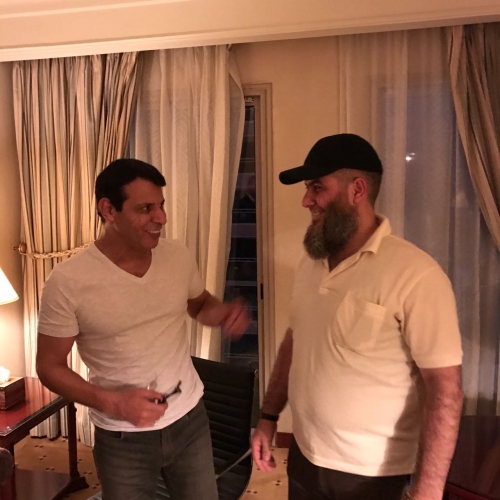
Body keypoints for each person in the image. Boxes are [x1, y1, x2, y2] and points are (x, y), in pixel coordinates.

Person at [251, 134, 464, 500]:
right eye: (307, 189)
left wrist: (428, 490)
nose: (306, 200)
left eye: (317, 187)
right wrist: (269, 417)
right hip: (304, 457)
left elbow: (445, 391)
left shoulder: (417, 275)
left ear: (357, 190)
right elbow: (294, 342)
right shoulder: (311, 264)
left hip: (372, 476)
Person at [36, 158, 250, 500]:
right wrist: (114, 402)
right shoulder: (67, 282)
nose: (161, 217)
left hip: (189, 420)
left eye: (161, 206)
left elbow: (198, 304)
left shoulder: (177, 256)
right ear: (109, 210)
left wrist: (222, 313)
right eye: (146, 208)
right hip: (122, 437)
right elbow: (49, 366)